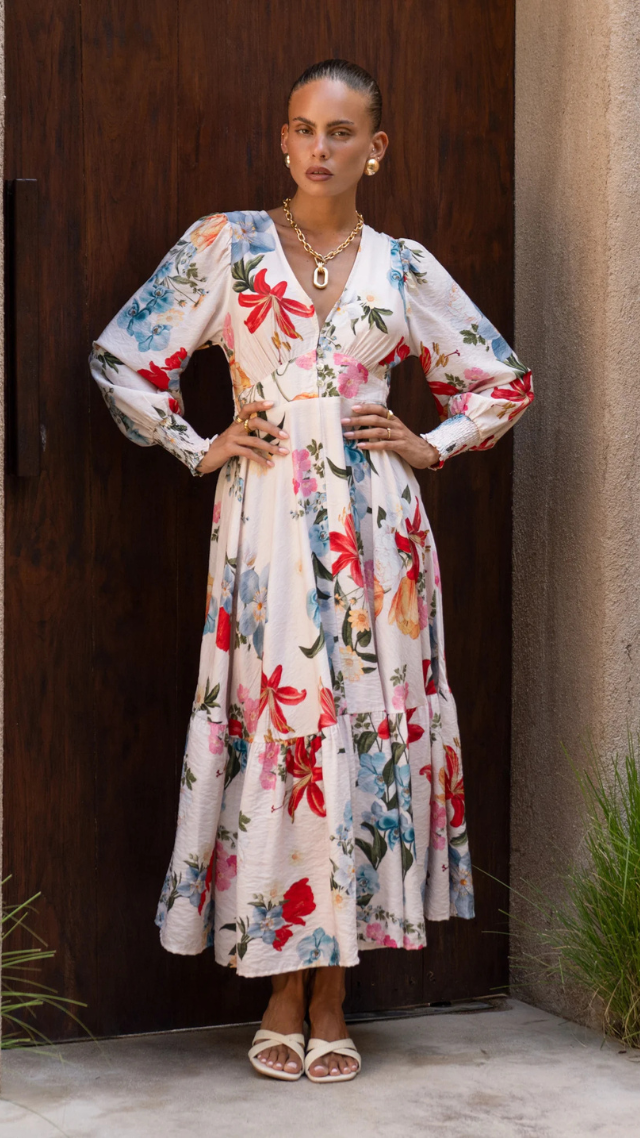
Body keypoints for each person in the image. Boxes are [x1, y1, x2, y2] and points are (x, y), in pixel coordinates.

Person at [89, 59, 533, 1084]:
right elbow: (123, 356)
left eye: (340, 133)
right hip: (266, 527)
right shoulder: (226, 245)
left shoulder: (402, 265)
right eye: (301, 130)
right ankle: (279, 981)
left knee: (366, 735)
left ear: (374, 148)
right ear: (283, 141)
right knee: (286, 731)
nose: (318, 150)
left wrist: (433, 441)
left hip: (379, 532)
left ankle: (330, 989)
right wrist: (197, 441)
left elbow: (501, 379)